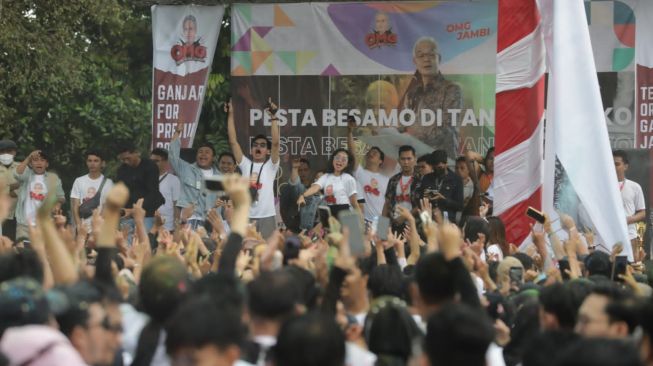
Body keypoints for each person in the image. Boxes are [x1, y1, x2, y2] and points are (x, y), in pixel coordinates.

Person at [399, 37, 462, 157]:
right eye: (421, 55)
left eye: (431, 55)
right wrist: (386, 134)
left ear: (439, 59)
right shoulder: (412, 94)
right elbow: (402, 126)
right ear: (414, 61)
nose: (426, 59)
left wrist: (412, 135)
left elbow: (446, 130)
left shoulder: (451, 89)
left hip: (443, 162)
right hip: (417, 160)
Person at [227, 98, 280, 239]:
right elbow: (233, 141)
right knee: (246, 253)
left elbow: (275, 143)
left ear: (267, 152)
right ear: (251, 149)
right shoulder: (245, 164)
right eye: (256, 145)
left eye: (263, 145)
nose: (258, 147)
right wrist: (231, 114)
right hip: (246, 216)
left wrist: (274, 117)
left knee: (266, 253)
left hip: (267, 216)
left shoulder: (271, 166)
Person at [168, 128, 220, 229]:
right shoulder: (186, 169)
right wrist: (177, 132)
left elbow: (222, 203)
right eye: (200, 152)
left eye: (207, 152)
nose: (203, 154)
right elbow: (172, 156)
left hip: (211, 223)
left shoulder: (220, 177)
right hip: (190, 221)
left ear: (213, 158)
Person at [14, 150, 65, 239]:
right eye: (35, 160)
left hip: (45, 225)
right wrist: (28, 157)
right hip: (24, 224)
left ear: (47, 164)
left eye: (42, 160)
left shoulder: (53, 178)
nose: (39, 163)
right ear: (30, 164)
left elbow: (61, 197)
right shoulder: (26, 175)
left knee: (42, 252)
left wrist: (57, 205)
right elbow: (16, 174)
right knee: (21, 252)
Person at [297, 149, 360, 219]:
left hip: (344, 213)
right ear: (333, 159)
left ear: (347, 164)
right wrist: (303, 195)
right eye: (337, 158)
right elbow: (315, 187)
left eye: (343, 159)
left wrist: (361, 222)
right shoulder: (326, 176)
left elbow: (354, 203)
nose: (339, 161)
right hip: (328, 211)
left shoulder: (349, 179)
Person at [347, 120, 389, 225]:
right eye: (370, 152)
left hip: (381, 222)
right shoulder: (360, 172)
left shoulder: (388, 179)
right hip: (362, 221)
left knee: (382, 242)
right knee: (362, 242)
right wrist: (349, 132)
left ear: (381, 161)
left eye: (375, 153)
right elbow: (352, 152)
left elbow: (389, 203)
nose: (371, 154)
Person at [116, 142, 163, 233]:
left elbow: (153, 192)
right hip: (127, 214)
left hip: (146, 214)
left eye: (128, 158)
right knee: (127, 243)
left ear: (136, 153)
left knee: (143, 242)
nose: (126, 162)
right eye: (123, 160)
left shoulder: (150, 166)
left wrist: (135, 210)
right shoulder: (121, 170)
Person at [70, 150, 114, 233]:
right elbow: (75, 206)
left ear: (102, 163)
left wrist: (97, 227)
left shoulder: (109, 183)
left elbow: (106, 208)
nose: (92, 164)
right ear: (86, 163)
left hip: (100, 229)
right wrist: (78, 225)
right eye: (89, 161)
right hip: (82, 228)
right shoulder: (79, 181)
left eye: (96, 161)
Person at [382, 145, 421, 232]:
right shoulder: (393, 180)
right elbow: (387, 204)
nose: (406, 162)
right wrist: (381, 230)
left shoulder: (421, 179)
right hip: (395, 224)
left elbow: (423, 204)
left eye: (409, 158)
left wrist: (404, 217)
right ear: (398, 160)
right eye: (403, 159)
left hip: (415, 226)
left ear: (415, 159)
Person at [418, 150, 463, 222]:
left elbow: (460, 206)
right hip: (428, 218)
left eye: (441, 167)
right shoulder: (427, 178)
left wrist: (443, 199)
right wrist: (427, 197)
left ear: (446, 163)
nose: (440, 168)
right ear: (433, 166)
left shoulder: (456, 179)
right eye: (436, 167)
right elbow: (420, 200)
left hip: (447, 220)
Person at [613, 150, 645, 250]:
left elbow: (642, 212)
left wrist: (628, 220)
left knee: (630, 264)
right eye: (611, 164)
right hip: (608, 234)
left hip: (629, 235)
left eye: (617, 164)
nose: (613, 167)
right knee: (609, 264)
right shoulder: (602, 187)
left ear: (625, 166)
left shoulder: (635, 187)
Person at [150, 148, 181, 231]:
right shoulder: (145, 178)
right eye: (151, 161)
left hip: (167, 228)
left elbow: (177, 206)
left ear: (166, 162)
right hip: (148, 227)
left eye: (156, 161)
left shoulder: (174, 180)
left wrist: (176, 228)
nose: (152, 164)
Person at [0, 139, 19, 239]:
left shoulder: (22, 168)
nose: (5, 154)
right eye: (2, 151)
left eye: (9, 151)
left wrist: (4, 189)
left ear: (14, 152)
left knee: (15, 248)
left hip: (17, 216)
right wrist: (12, 187)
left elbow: (23, 191)